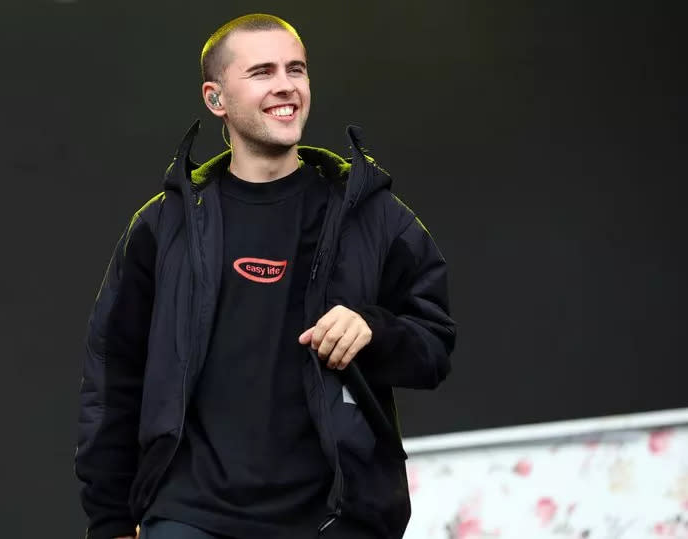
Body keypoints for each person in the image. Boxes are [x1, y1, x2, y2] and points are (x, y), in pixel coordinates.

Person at [75, 13, 456, 539]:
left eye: (295, 69)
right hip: (189, 517)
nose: (285, 86)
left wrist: (375, 329)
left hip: (333, 517)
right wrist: (112, 520)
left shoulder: (372, 214)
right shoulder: (164, 226)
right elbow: (113, 376)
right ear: (216, 100)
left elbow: (435, 342)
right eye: (262, 72)